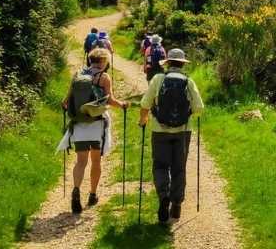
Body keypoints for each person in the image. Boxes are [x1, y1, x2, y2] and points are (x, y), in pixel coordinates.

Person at [139, 48, 204, 223]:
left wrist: (143, 119)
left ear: (167, 63)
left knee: (160, 166)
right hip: (183, 131)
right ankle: (176, 205)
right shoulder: (188, 81)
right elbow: (199, 108)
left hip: (159, 131)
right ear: (182, 64)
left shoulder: (158, 79)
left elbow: (145, 103)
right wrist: (188, 114)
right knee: (179, 168)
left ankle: (163, 196)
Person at [62, 48, 128, 214]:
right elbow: (110, 100)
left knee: (81, 161)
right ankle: (92, 194)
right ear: (104, 62)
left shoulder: (78, 76)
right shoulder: (104, 77)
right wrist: (123, 105)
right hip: (97, 124)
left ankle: (76, 190)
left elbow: (65, 102)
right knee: (96, 161)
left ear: (90, 60)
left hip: (79, 125)